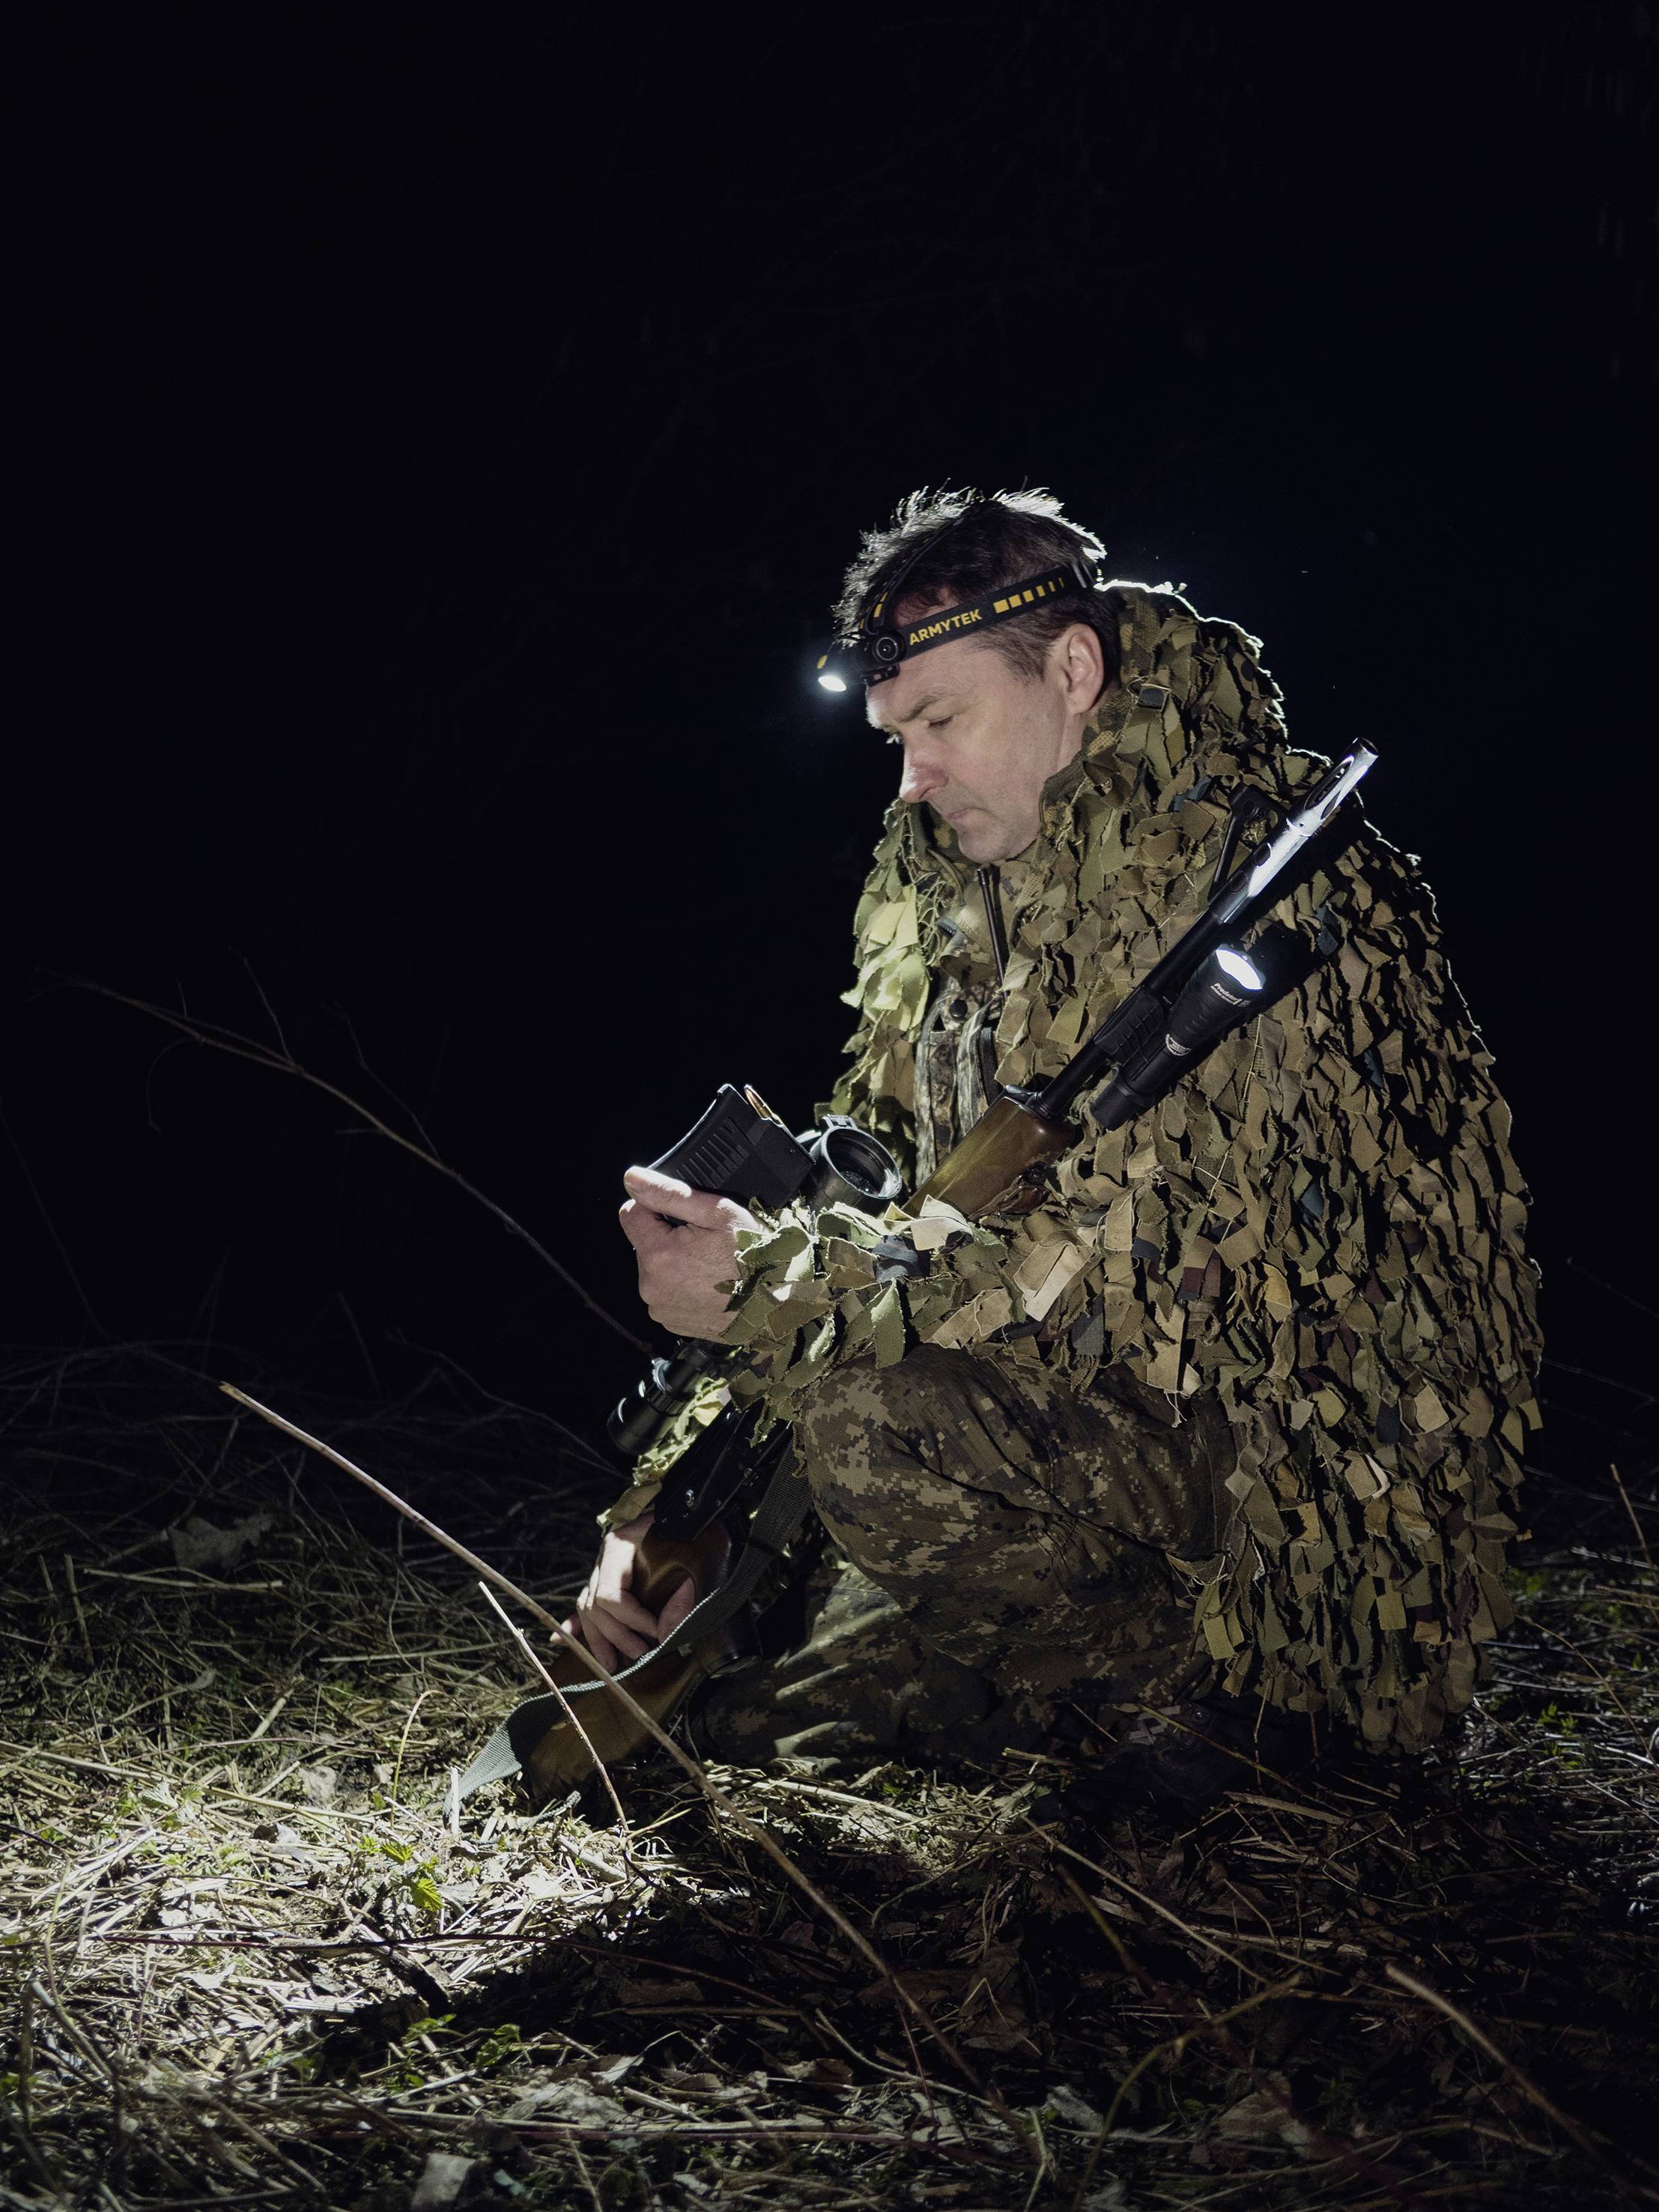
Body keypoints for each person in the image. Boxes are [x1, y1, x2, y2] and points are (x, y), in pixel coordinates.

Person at [565, 488, 1540, 1797]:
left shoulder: (1258, 878)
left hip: (1273, 1484)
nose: (911, 775)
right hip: (1061, 1427)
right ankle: (1038, 1708)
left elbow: (1108, 1273)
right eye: (895, 734)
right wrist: (663, 1517)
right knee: (762, 1732)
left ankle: (1240, 1715)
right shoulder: (938, 882)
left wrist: (774, 1289)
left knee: (871, 1435)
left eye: (942, 722)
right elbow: (880, 1201)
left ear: (1073, 671)